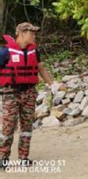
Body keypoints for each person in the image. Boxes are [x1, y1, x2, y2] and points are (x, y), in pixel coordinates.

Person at [0, 23, 59, 169]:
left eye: (34, 32)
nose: (34, 35)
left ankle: (24, 157)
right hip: (10, 93)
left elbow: (41, 69)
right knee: (8, 128)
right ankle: (3, 158)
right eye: (31, 32)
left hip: (29, 93)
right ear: (21, 33)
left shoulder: (34, 51)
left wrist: (52, 84)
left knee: (27, 127)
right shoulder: (5, 52)